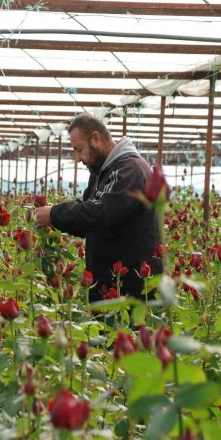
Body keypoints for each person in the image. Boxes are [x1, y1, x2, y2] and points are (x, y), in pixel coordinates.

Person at [34, 113, 163, 302]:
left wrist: (55, 214)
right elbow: (86, 210)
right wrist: (54, 214)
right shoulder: (101, 172)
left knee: (128, 331)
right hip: (112, 286)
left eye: (80, 150)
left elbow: (102, 212)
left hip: (132, 290)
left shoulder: (129, 169)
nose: (78, 158)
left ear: (96, 139)